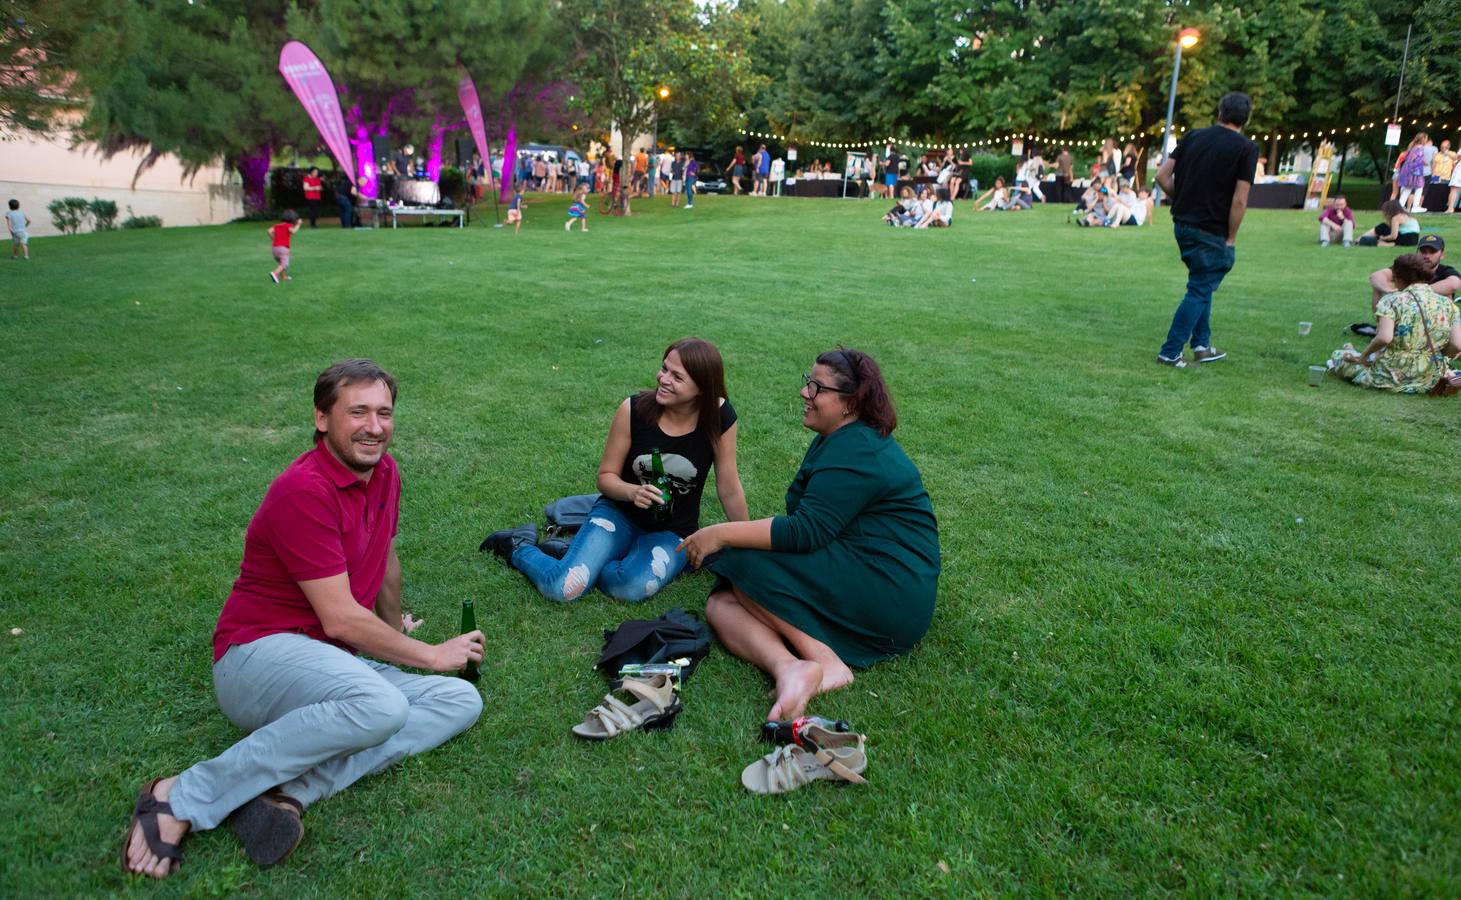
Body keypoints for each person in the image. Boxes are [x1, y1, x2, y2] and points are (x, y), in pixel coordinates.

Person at [120, 360, 485, 880]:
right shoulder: (303, 490)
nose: (375, 427)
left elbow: (384, 557)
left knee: (459, 700)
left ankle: (286, 790)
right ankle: (179, 796)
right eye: (357, 412)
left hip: (330, 664)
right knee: (382, 706)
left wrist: (394, 626)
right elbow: (338, 619)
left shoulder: (385, 473)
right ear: (322, 418)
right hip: (256, 659)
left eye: (384, 412)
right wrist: (430, 655)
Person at [677, 349, 939, 721]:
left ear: (850, 402)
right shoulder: (840, 436)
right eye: (807, 382)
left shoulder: (857, 448)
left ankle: (825, 661)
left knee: (743, 560)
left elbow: (806, 531)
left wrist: (721, 533)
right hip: (860, 566)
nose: (805, 393)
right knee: (721, 605)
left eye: (817, 388)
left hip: (891, 591)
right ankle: (789, 667)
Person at [484, 338, 748, 603]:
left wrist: (748, 541)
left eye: (677, 376)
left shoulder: (718, 417)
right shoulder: (633, 411)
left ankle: (582, 555)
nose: (663, 379)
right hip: (618, 512)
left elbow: (728, 487)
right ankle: (518, 545)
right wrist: (633, 492)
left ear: (702, 387)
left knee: (630, 589)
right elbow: (605, 477)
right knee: (564, 588)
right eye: (664, 368)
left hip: (672, 530)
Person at [1153, 91, 1259, 368]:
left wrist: (1183, 198)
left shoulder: (1192, 137)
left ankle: (1201, 345)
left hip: (1183, 225)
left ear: (1220, 112)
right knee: (1200, 289)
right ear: (1245, 119)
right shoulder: (1246, 149)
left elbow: (1162, 176)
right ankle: (1170, 351)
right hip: (1211, 231)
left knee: (1202, 282)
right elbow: (1240, 199)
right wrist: (1232, 237)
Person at [1328, 253, 1461, 392]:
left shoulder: (1392, 300)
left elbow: (1384, 338)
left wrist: (1363, 357)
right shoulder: (1448, 304)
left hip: (1389, 376)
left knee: (1338, 356)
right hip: (1431, 378)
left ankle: (1351, 356)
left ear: (1398, 278)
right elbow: (1457, 345)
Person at [1396, 133, 1429, 214]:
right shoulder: (1420, 147)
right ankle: (1415, 206)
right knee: (1420, 187)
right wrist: (1422, 163)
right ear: (1423, 139)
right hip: (1415, 171)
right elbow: (1417, 160)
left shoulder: (1413, 147)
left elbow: (1410, 158)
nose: (1427, 140)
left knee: (1408, 188)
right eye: (1426, 139)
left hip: (1407, 170)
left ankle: (1400, 206)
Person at [268, 210, 301, 284]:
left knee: (281, 262)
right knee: (284, 264)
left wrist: (274, 239)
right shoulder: (288, 225)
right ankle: (275, 273)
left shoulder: (277, 225)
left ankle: (283, 276)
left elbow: (269, 231)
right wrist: (298, 224)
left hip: (274, 249)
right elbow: (293, 231)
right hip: (283, 248)